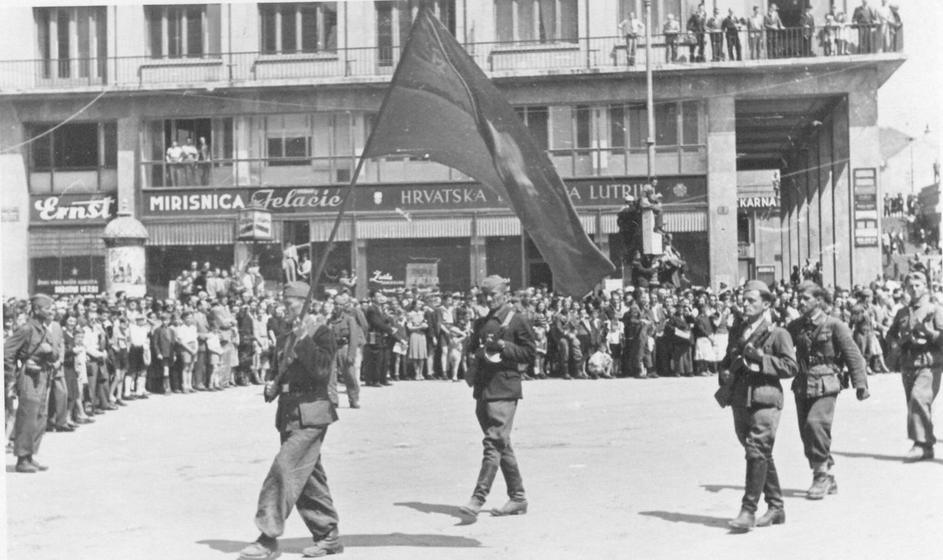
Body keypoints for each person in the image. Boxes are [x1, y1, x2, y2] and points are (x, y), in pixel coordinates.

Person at [238, 282, 342, 560]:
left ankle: (267, 538)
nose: (286, 306)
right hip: (289, 413)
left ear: (307, 301)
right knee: (308, 477)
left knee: (284, 468)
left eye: (291, 301)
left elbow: (321, 369)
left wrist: (304, 339)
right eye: (284, 301)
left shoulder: (321, 332)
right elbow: (283, 368)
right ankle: (328, 535)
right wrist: (274, 384)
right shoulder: (287, 334)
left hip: (312, 413)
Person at [716, 280, 797, 532]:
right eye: (744, 299)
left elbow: (790, 366)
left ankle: (748, 510)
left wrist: (763, 359)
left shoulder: (778, 333)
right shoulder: (738, 330)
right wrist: (725, 373)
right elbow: (728, 359)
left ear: (766, 303)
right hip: (739, 398)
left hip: (765, 397)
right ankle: (776, 507)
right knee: (759, 452)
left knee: (756, 449)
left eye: (752, 300)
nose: (746, 303)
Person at [459, 275, 536, 518]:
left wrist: (504, 347)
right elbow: (473, 350)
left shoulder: (517, 320)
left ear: (505, 293)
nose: (489, 299)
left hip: (504, 389)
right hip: (483, 390)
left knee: (493, 443)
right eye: (485, 295)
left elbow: (530, 353)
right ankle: (518, 497)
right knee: (502, 445)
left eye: (493, 294)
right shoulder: (482, 322)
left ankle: (477, 498)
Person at [787, 282, 870, 500]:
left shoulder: (835, 325)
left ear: (819, 300)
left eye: (805, 298)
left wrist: (860, 383)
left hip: (826, 382)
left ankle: (820, 476)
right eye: (799, 297)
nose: (800, 301)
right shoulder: (795, 326)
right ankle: (827, 471)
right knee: (807, 433)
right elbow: (780, 346)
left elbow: (853, 355)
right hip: (803, 383)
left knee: (816, 424)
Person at [886, 269, 943, 461]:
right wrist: (895, 344)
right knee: (914, 403)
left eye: (918, 285)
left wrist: (928, 332)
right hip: (908, 364)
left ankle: (919, 444)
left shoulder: (935, 310)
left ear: (926, 287)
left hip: (929, 364)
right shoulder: (903, 312)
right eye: (910, 286)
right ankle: (927, 445)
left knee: (919, 398)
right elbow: (891, 334)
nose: (914, 289)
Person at [4, 293, 60, 473]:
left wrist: (49, 351)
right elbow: (7, 354)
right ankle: (22, 458)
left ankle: (30, 455)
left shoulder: (44, 329)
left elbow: (55, 353)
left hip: (43, 375)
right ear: (36, 310)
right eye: (46, 308)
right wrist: (12, 376)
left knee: (40, 416)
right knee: (28, 416)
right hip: (29, 376)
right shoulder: (26, 329)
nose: (50, 311)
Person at [328, 293, 361, 408]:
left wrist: (351, 354)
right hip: (332, 349)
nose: (337, 307)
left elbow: (353, 338)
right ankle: (333, 399)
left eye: (340, 304)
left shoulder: (349, 319)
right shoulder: (330, 320)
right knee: (331, 375)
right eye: (335, 304)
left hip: (344, 348)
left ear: (344, 306)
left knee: (349, 375)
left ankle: (354, 399)